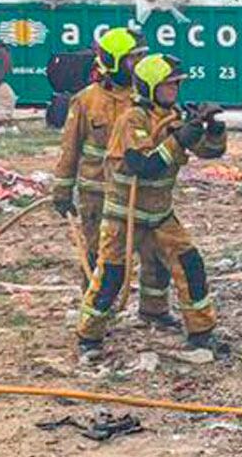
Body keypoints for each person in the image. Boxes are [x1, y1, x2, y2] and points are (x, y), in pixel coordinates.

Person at [75, 53, 227, 361]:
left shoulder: (172, 117)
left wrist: (211, 128)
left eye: (177, 85)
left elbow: (211, 152)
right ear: (150, 86)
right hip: (124, 217)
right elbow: (142, 164)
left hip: (159, 215)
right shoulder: (133, 119)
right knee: (111, 276)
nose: (175, 91)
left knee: (190, 266)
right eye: (169, 85)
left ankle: (201, 333)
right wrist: (179, 139)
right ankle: (89, 336)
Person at [52, 28, 150, 292]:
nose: (140, 64)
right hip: (97, 194)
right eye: (134, 58)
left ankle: (154, 310)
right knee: (98, 255)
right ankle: (93, 312)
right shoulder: (86, 101)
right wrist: (62, 191)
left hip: (136, 190)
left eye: (142, 57)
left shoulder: (145, 99)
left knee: (152, 252)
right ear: (115, 62)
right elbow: (69, 149)